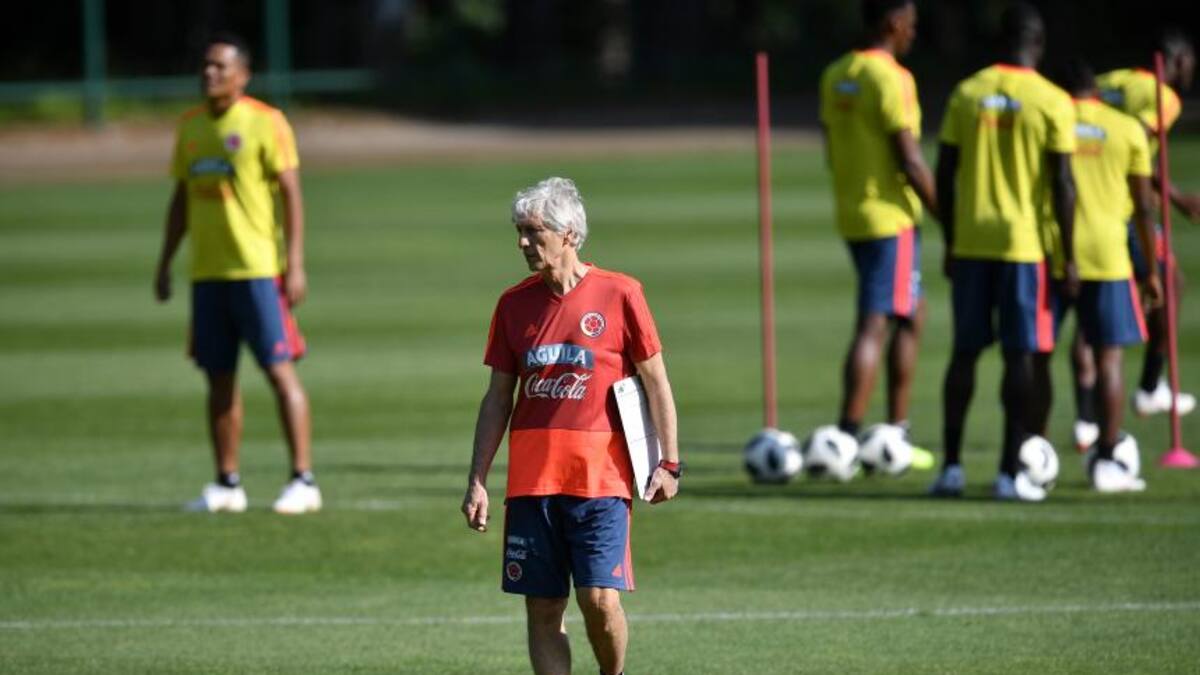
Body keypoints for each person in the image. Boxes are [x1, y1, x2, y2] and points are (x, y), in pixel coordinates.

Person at [461, 177, 680, 675]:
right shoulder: (512, 304)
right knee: (543, 607)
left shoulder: (621, 293)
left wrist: (669, 464)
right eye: (518, 232)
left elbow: (657, 383)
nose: (522, 243)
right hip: (531, 481)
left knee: (599, 599)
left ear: (569, 235)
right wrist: (478, 479)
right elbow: (498, 398)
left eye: (533, 232)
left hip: (601, 480)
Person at [154, 32, 320, 514]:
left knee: (279, 371)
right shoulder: (189, 127)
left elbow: (291, 193)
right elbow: (181, 201)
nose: (210, 73)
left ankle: (303, 480)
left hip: (258, 270)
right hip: (208, 272)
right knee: (218, 377)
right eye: (205, 66)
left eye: (220, 67)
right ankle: (227, 483)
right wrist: (165, 262)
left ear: (243, 75)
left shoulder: (266, 122)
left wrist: (295, 263)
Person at [928, 3, 1077, 501]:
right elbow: (1063, 184)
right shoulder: (1052, 100)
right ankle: (1009, 474)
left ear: (1000, 41)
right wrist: (1069, 256)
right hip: (1023, 247)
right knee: (1020, 356)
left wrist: (951, 238)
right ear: (1039, 43)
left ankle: (951, 468)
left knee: (964, 353)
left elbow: (945, 173)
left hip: (972, 242)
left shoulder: (968, 92)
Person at [1035, 59, 1164, 492]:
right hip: (1109, 255)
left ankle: (1032, 454)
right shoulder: (1126, 128)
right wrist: (1150, 271)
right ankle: (1107, 460)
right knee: (1109, 359)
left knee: (1037, 357)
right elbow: (1143, 207)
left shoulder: (1050, 120)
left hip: (1054, 252)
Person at [817, 0, 937, 451]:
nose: (913, 33)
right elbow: (910, 158)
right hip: (890, 215)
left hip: (853, 210)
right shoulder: (893, 78)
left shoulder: (836, 73)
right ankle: (848, 437)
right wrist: (946, 216)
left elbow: (831, 147)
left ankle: (895, 431)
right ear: (893, 22)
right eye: (911, 24)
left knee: (913, 311)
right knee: (875, 321)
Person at [1086, 31, 1198, 420]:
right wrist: (1178, 198)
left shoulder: (1110, 81)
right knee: (1171, 284)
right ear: (1178, 60)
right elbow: (1131, 146)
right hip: (1126, 205)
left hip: (1088, 199)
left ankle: (1086, 416)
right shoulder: (1166, 98)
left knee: (1090, 304)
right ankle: (1150, 386)